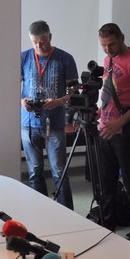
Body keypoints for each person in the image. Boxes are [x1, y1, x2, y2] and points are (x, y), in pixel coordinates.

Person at [97, 23, 130, 242]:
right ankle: (107, 229)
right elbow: (108, 91)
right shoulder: (107, 60)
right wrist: (99, 112)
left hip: (126, 132)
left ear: (122, 38)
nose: (108, 49)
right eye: (103, 46)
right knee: (106, 184)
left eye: (111, 44)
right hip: (106, 130)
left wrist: (119, 122)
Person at [21, 20, 78, 210]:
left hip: (55, 123)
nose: (39, 46)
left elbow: (74, 90)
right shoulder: (23, 58)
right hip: (29, 123)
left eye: (43, 41)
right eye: (35, 42)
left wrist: (60, 101)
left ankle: (66, 214)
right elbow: (13, 86)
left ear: (50, 37)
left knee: (59, 171)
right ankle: (40, 212)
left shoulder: (65, 58)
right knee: (34, 171)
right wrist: (22, 101)